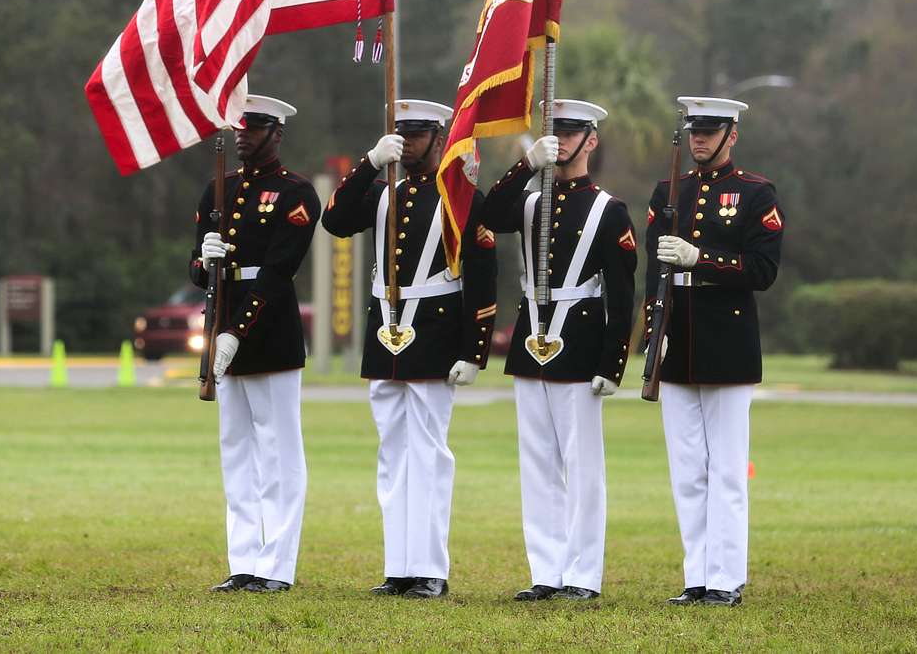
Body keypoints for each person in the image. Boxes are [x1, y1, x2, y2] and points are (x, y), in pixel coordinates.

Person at [321, 99, 499, 600]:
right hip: (386, 333)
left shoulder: (459, 196)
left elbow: (483, 277)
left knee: (428, 456)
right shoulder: (382, 193)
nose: (408, 143)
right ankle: (398, 565)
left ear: (440, 138)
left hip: (435, 334)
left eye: (417, 135)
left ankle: (430, 569)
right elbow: (334, 222)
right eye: (402, 134)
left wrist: (474, 349)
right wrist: (369, 163)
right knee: (392, 455)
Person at [480, 99, 639, 602]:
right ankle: (545, 571)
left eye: (572, 133)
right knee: (538, 463)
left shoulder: (609, 209)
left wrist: (614, 362)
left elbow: (622, 291)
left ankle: (583, 575)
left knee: (582, 466)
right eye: (556, 132)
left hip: (581, 340)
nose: (563, 140)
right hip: (531, 338)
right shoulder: (528, 200)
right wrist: (527, 165)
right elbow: (489, 214)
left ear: (591, 140)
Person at [644, 96, 783, 608]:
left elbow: (762, 272)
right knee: (687, 471)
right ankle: (697, 576)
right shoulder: (668, 191)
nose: (700, 139)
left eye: (710, 131)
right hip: (678, 338)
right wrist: (652, 336)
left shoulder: (754, 193)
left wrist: (701, 259)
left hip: (727, 339)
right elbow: (651, 276)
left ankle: (725, 578)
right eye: (694, 131)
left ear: (732, 136)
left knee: (725, 470)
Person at [190, 95, 321, 594]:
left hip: (268, 332)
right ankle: (243, 560)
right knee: (237, 451)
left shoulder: (296, 193)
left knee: (279, 452)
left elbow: (279, 272)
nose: (243, 135)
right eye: (240, 127)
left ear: (277, 133)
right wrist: (206, 258)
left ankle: (276, 564)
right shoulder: (216, 190)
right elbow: (196, 268)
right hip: (222, 320)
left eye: (255, 127)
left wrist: (236, 332)